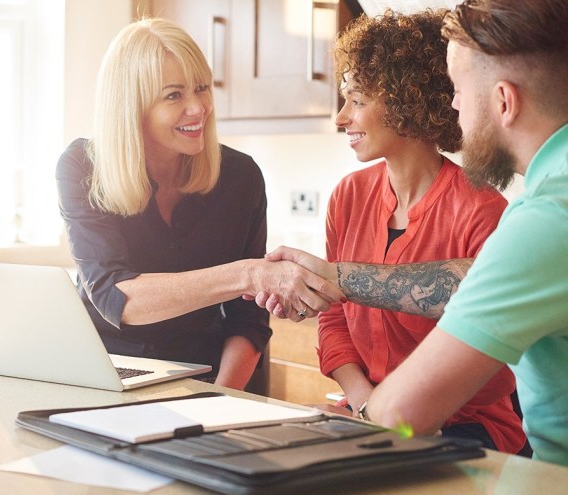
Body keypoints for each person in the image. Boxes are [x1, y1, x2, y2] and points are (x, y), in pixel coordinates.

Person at [258, 0, 568, 465]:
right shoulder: (543, 199)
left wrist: (354, 418)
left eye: (459, 89)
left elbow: (405, 412)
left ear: (504, 101)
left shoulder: (542, 215)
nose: (453, 103)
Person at [55, 18, 343, 389]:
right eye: (174, 95)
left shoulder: (241, 176)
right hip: (105, 375)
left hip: (205, 377)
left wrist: (220, 398)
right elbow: (116, 296)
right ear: (132, 107)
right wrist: (249, 273)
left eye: (202, 89)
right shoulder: (82, 166)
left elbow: (247, 318)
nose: (198, 108)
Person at [312, 9, 525, 454]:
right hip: (370, 415)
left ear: (406, 100)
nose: (340, 118)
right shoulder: (346, 198)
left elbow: (480, 350)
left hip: (469, 429)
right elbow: (333, 318)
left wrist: (384, 419)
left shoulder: (483, 209)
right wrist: (365, 403)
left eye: (357, 100)